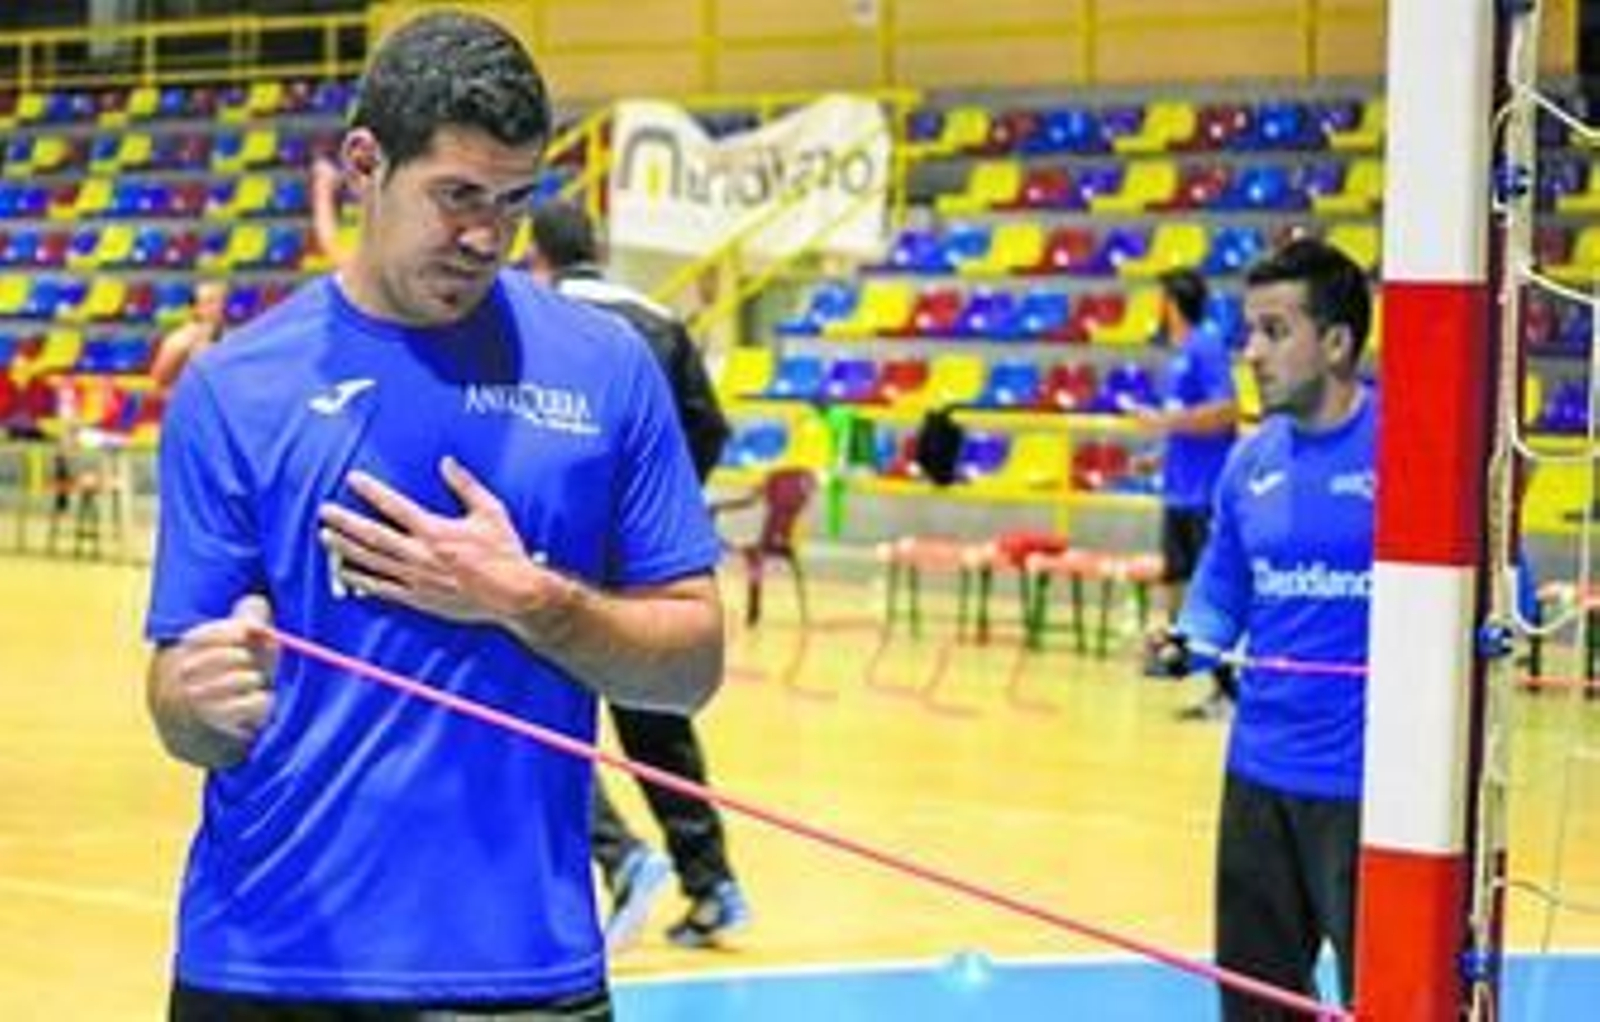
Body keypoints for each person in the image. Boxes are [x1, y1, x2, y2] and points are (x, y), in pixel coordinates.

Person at [143, 13, 724, 1021]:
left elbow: (691, 664)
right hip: (267, 963)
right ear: (366, 164)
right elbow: (180, 702)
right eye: (456, 195)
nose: (486, 236)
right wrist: (193, 697)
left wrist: (530, 599)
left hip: (519, 970)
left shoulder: (604, 372)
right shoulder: (234, 390)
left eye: (513, 199)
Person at [1151, 238, 1375, 1018]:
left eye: (1275, 332)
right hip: (1259, 775)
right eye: (1249, 332)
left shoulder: (1411, 453)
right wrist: (1189, 642)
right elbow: (1221, 590)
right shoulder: (1248, 464)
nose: (1251, 353)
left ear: (1338, 343)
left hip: (1370, 792)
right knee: (1255, 1008)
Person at [528, 199, 749, 952]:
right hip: (651, 558)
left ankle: (620, 857)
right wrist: (664, 516)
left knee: (533, 713)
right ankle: (711, 881)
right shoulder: (656, 315)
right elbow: (711, 427)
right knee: (658, 717)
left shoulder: (536, 317)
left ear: (538, 255)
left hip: (563, 559)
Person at [1133, 268, 1239, 721]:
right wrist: (1159, 455)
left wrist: (1166, 424)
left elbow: (1226, 411)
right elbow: (1188, 425)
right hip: (1178, 490)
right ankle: (1201, 677)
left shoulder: (1205, 345)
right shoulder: (1179, 354)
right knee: (1176, 583)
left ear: (1173, 302)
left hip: (1203, 494)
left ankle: (1229, 690)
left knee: (1211, 592)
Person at [148, 280, 226, 393]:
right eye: (210, 301)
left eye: (221, 300)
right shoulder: (180, 340)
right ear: (195, 308)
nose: (219, 306)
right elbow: (158, 380)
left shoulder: (231, 337)